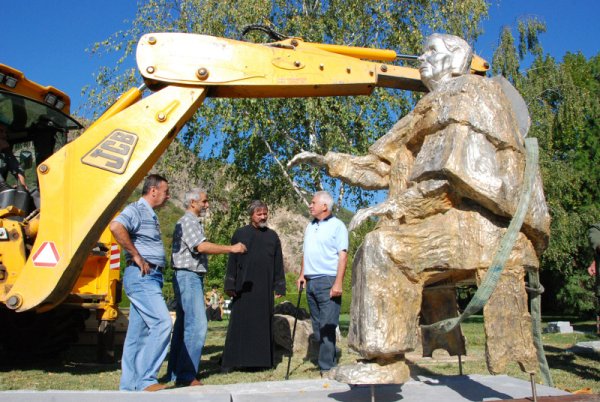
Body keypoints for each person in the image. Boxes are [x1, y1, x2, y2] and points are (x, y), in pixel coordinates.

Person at [289, 34, 551, 382]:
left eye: (431, 52)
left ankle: (384, 360)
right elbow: (382, 164)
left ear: (457, 60)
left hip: (481, 227)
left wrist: (394, 206)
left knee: (383, 247)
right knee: (382, 242)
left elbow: (450, 177)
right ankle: (384, 358)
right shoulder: (429, 105)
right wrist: (330, 161)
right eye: (422, 52)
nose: (421, 60)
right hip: (446, 220)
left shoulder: (469, 95)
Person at [167, 188, 246, 386]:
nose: (207, 204)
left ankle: (176, 373)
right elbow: (200, 246)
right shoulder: (189, 221)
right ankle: (186, 375)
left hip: (188, 276)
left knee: (183, 326)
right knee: (198, 325)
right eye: (204, 201)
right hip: (189, 276)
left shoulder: (189, 222)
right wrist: (232, 249)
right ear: (193, 203)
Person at [109, 174, 172, 392]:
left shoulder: (150, 214)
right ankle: (146, 380)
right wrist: (135, 255)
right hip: (142, 277)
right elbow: (116, 226)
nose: (168, 196)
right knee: (163, 324)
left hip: (149, 278)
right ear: (153, 190)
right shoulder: (136, 209)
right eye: (165, 191)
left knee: (137, 334)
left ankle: (128, 387)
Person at [221, 200, 286, 371]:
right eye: (259, 214)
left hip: (264, 288)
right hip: (244, 287)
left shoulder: (273, 236)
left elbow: (278, 263)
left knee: (263, 324)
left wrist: (279, 285)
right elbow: (232, 261)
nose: (263, 217)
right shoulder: (240, 233)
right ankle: (232, 362)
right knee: (239, 323)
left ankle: (262, 362)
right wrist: (230, 283)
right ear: (251, 215)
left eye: (265, 213)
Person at [296, 191, 348, 375]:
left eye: (313, 202)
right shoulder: (310, 226)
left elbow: (343, 256)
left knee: (327, 324)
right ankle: (328, 357)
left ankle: (327, 367)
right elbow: (306, 252)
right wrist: (302, 275)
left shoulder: (338, 226)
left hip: (328, 280)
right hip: (311, 281)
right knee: (318, 327)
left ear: (324, 206)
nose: (310, 205)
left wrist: (338, 283)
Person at [0, 122, 26, 192]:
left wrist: (22, 187)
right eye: (1, 131)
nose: (4, 135)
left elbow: (18, 169)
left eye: (5, 132)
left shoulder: (6, 154)